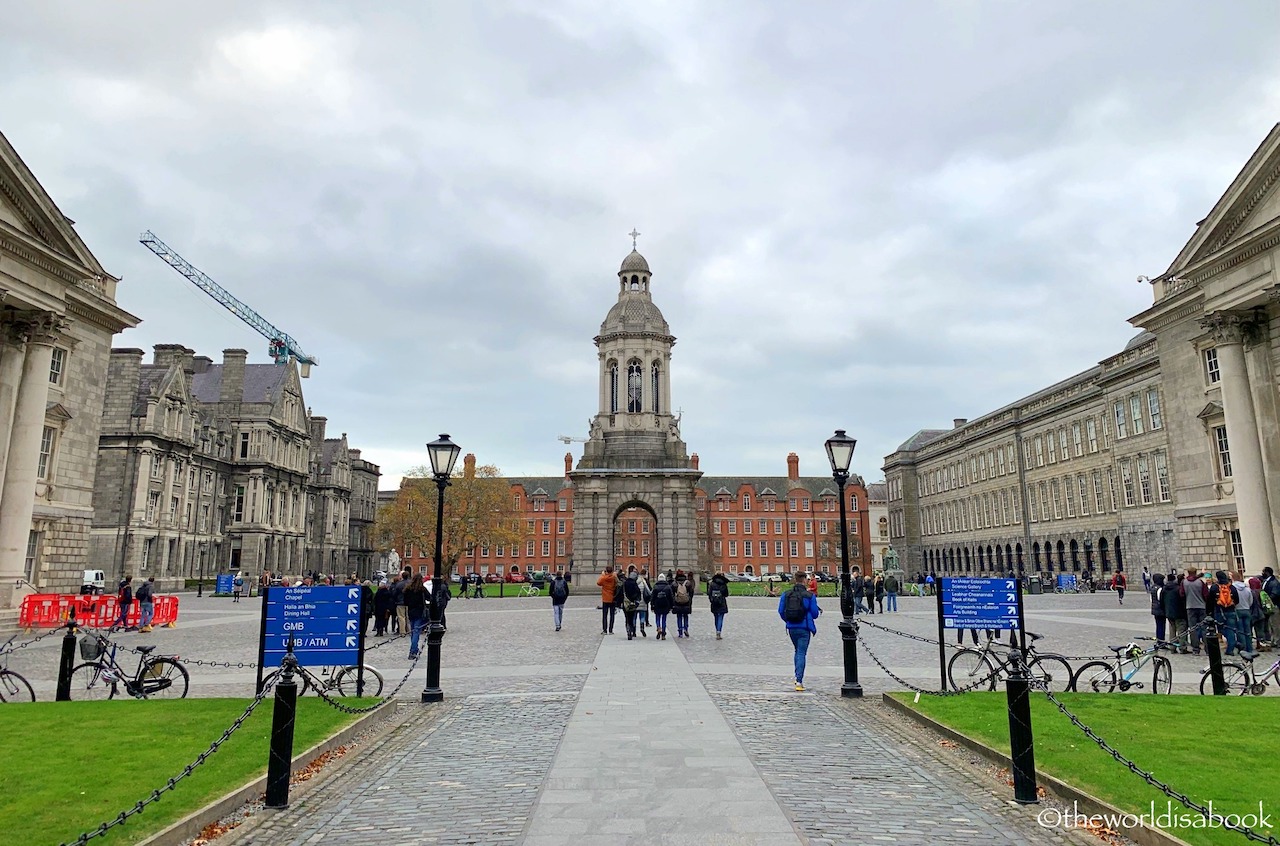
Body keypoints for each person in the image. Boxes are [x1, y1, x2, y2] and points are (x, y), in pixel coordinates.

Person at [778, 570, 821, 691]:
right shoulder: (809, 596)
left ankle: (797, 676)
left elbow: (781, 611)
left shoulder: (786, 594)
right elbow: (815, 613)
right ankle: (799, 680)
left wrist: (788, 620)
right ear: (804, 580)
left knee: (797, 651)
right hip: (804, 627)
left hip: (792, 627)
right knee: (801, 652)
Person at [1207, 570, 1241, 655]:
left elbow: (1210, 601)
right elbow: (1237, 600)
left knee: (1222, 629)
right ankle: (1233, 643)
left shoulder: (1214, 587)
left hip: (1219, 611)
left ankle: (1231, 646)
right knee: (1231, 630)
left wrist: (1209, 612)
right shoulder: (1231, 587)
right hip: (1231, 611)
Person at [1163, 572, 1188, 652]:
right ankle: (1182, 647)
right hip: (1179, 612)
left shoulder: (1164, 588)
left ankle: (1172, 647)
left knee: (1172, 630)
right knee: (1181, 630)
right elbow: (1183, 600)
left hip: (1169, 612)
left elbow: (1162, 601)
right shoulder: (1178, 589)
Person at [1230, 571, 1254, 656]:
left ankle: (1243, 648)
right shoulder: (1247, 588)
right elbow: (1251, 601)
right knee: (1248, 630)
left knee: (1240, 630)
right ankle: (1249, 648)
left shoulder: (1232, 588)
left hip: (1238, 609)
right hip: (1246, 609)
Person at [404, 573, 427, 659]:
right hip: (419, 612)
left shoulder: (408, 589)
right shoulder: (422, 589)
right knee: (416, 632)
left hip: (410, 612)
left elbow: (405, 602)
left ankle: (415, 648)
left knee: (413, 631)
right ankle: (412, 651)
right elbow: (429, 597)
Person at [650, 573, 674, 639]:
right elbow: (671, 597)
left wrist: (652, 606)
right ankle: (663, 633)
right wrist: (672, 606)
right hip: (665, 605)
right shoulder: (668, 587)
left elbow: (652, 597)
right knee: (664, 619)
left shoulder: (655, 587)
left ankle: (658, 627)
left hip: (657, 605)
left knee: (657, 618)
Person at [707, 570, 730, 640]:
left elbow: (709, 593)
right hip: (722, 602)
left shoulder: (712, 583)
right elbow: (726, 594)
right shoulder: (723, 584)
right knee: (720, 618)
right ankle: (719, 631)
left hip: (714, 602)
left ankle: (717, 629)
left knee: (716, 617)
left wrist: (711, 599)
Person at [672, 570, 695, 637]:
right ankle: (686, 628)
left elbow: (672, 594)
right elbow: (691, 593)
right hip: (686, 602)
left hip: (677, 602)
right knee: (685, 616)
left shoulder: (675, 583)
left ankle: (680, 631)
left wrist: (674, 601)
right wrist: (689, 600)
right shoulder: (688, 583)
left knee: (679, 616)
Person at [597, 566, 619, 635]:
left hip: (606, 598)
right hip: (613, 598)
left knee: (605, 615)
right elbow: (618, 583)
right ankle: (611, 630)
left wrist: (603, 574)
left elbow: (598, 583)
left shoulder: (604, 578)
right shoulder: (614, 577)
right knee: (612, 615)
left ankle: (604, 630)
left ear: (606, 571)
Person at [622, 568, 643, 639]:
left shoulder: (624, 583)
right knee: (631, 618)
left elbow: (619, 593)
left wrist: (618, 602)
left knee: (626, 618)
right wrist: (637, 600)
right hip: (633, 604)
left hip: (625, 603)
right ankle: (631, 631)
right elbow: (638, 593)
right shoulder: (635, 584)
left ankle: (628, 630)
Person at [1149, 572, 1167, 646]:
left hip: (1155, 609)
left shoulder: (1153, 587)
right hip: (1160, 610)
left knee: (1159, 625)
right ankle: (1161, 641)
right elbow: (1160, 599)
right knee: (1161, 626)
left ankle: (1159, 640)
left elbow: (1151, 599)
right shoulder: (1159, 589)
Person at [636, 570, 651, 636]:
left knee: (634, 617)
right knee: (642, 616)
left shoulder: (635, 582)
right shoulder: (645, 582)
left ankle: (633, 631)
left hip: (636, 602)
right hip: (643, 602)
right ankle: (642, 627)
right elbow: (649, 591)